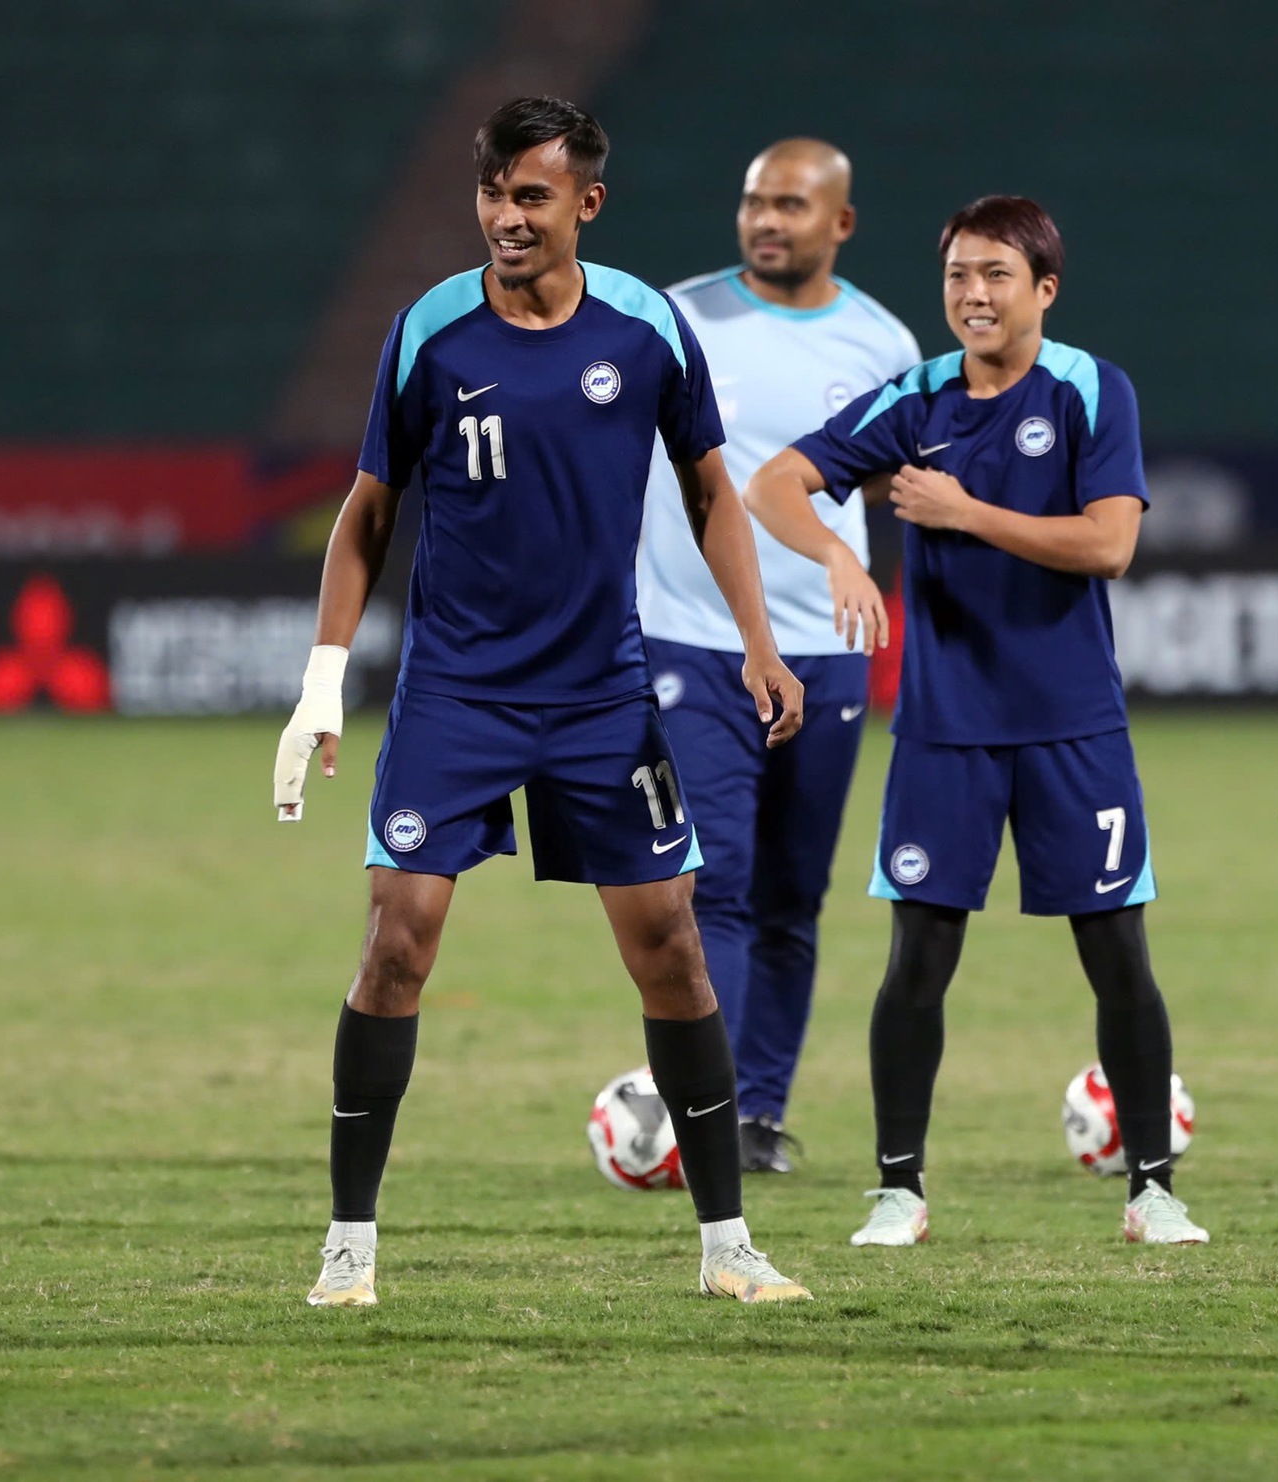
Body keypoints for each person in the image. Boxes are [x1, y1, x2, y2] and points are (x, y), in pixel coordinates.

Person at [272, 96, 811, 1308]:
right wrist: (321, 684)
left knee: (670, 948)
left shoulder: (647, 328)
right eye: (491, 193)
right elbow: (367, 511)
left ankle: (728, 1246)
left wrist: (758, 643)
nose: (505, 218)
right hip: (456, 691)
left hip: (597, 696)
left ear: (586, 203)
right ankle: (347, 1248)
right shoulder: (429, 332)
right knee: (395, 939)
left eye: (530, 195)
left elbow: (714, 493)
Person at [744, 195, 1210, 1249]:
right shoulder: (912, 402)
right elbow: (773, 481)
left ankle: (1151, 1190)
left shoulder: (1091, 391)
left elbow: (1106, 546)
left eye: (996, 274)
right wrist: (836, 553)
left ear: (1043, 288)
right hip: (943, 733)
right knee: (916, 961)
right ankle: (898, 1191)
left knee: (1118, 957)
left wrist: (963, 515)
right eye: (957, 274)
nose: (972, 294)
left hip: (1071, 727)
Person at [638, 138, 920, 1174]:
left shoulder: (883, 345)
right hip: (690, 638)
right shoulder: (674, 319)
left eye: (791, 205)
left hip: (823, 650)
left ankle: (757, 1112)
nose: (766, 220)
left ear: (838, 223)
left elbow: (894, 477)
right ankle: (702, 1109)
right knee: (709, 885)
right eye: (755, 201)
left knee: (791, 895)